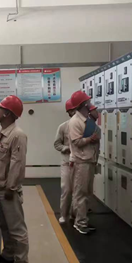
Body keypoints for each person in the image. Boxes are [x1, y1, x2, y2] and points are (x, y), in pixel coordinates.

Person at [0, 95, 29, 263]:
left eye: (0, 108)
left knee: (17, 228)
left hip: (7, 190)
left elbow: (17, 164)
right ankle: (9, 254)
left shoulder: (17, 135)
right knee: (4, 225)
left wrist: (11, 188)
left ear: (7, 113)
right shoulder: (3, 132)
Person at [68, 91, 101, 235]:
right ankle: (80, 223)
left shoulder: (85, 119)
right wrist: (90, 139)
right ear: (83, 104)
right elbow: (76, 142)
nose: (90, 103)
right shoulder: (75, 121)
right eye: (87, 102)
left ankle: (76, 217)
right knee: (81, 193)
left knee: (85, 192)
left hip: (89, 160)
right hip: (81, 162)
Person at [54, 99, 76, 224]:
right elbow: (57, 144)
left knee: (79, 192)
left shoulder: (85, 126)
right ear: (69, 112)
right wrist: (67, 148)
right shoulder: (63, 127)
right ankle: (64, 214)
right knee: (67, 189)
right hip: (67, 162)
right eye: (73, 110)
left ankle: (75, 214)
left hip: (80, 162)